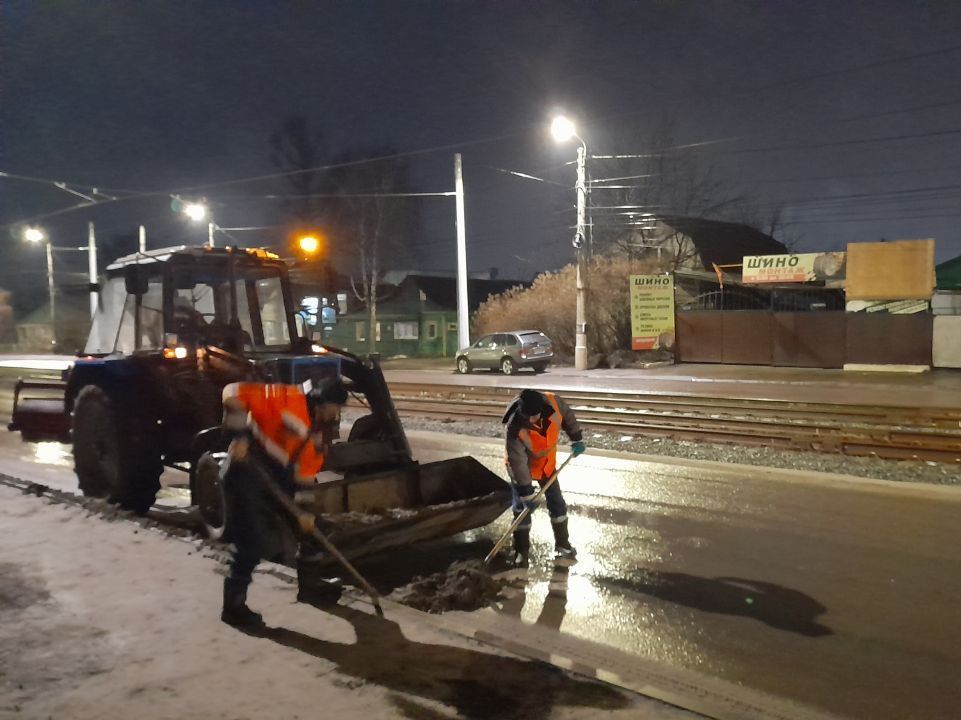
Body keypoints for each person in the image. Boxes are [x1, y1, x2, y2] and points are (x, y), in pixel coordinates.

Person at [219, 376, 349, 627]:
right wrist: (239, 436)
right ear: (322, 403)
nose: (337, 414)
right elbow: (231, 390)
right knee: (253, 542)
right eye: (337, 408)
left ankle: (310, 587)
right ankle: (233, 606)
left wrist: (305, 513)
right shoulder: (285, 399)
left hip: (279, 481)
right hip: (247, 473)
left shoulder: (318, 435)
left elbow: (305, 478)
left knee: (313, 529)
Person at [502, 389, 586, 567]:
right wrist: (526, 493)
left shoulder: (554, 403)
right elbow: (517, 462)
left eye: (534, 416)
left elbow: (568, 416)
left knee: (557, 503)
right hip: (521, 470)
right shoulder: (515, 426)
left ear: (541, 409)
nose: (531, 420)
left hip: (546, 466)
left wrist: (576, 438)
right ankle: (520, 551)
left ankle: (563, 544)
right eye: (528, 416)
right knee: (521, 510)